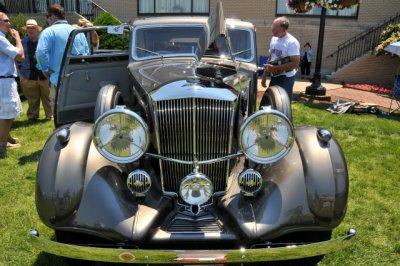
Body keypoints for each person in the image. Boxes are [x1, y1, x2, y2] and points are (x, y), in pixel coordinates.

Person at [36, 4, 89, 114]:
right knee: (79, 111)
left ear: (52, 16)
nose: (47, 19)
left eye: (47, 16)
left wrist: (45, 69)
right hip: (80, 78)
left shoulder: (48, 32)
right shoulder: (77, 31)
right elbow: (86, 53)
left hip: (59, 79)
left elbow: (40, 52)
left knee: (59, 113)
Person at [0, 12, 24, 158]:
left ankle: (6, 137)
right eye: (7, 20)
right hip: (4, 81)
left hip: (2, 79)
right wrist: (18, 39)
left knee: (4, 111)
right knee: (7, 113)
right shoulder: (1, 39)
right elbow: (20, 55)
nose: (10, 23)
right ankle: (3, 145)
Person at [19, 19, 52, 121]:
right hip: (28, 74)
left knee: (48, 97)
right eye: (28, 28)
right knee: (32, 98)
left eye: (33, 28)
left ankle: (50, 115)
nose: (30, 30)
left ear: (37, 29)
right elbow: (17, 57)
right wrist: (20, 71)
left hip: (44, 74)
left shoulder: (44, 41)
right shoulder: (21, 42)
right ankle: (32, 116)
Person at [261, 16, 300, 103]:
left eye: (275, 29)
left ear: (283, 28)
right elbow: (271, 57)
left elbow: (295, 64)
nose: (272, 30)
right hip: (274, 76)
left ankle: (283, 117)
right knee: (269, 101)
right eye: (272, 27)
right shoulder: (274, 39)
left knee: (283, 103)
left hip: (286, 78)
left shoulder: (292, 42)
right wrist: (264, 75)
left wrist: (275, 68)